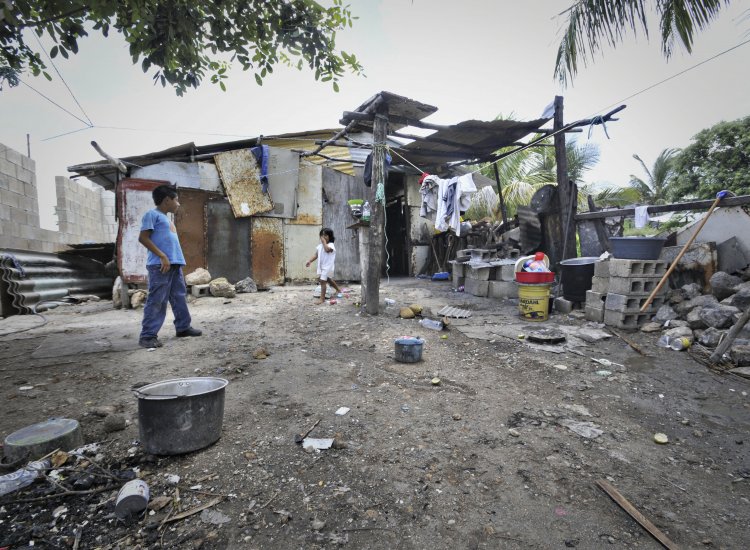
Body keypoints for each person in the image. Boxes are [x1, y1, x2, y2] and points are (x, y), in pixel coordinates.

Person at [137, 184, 202, 348]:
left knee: (179, 297)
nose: (178, 203)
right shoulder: (152, 215)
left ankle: (183, 327)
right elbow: (143, 238)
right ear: (167, 200)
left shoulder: (166, 218)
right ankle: (147, 336)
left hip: (174, 265)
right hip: (161, 266)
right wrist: (162, 256)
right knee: (157, 300)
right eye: (176, 200)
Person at [305, 227, 341, 304]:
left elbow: (327, 250)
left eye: (325, 235)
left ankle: (322, 299)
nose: (323, 237)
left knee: (322, 281)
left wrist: (324, 242)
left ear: (330, 237)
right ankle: (338, 290)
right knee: (328, 279)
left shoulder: (331, 245)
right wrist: (309, 261)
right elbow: (316, 255)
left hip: (328, 267)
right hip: (322, 266)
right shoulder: (320, 246)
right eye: (322, 235)